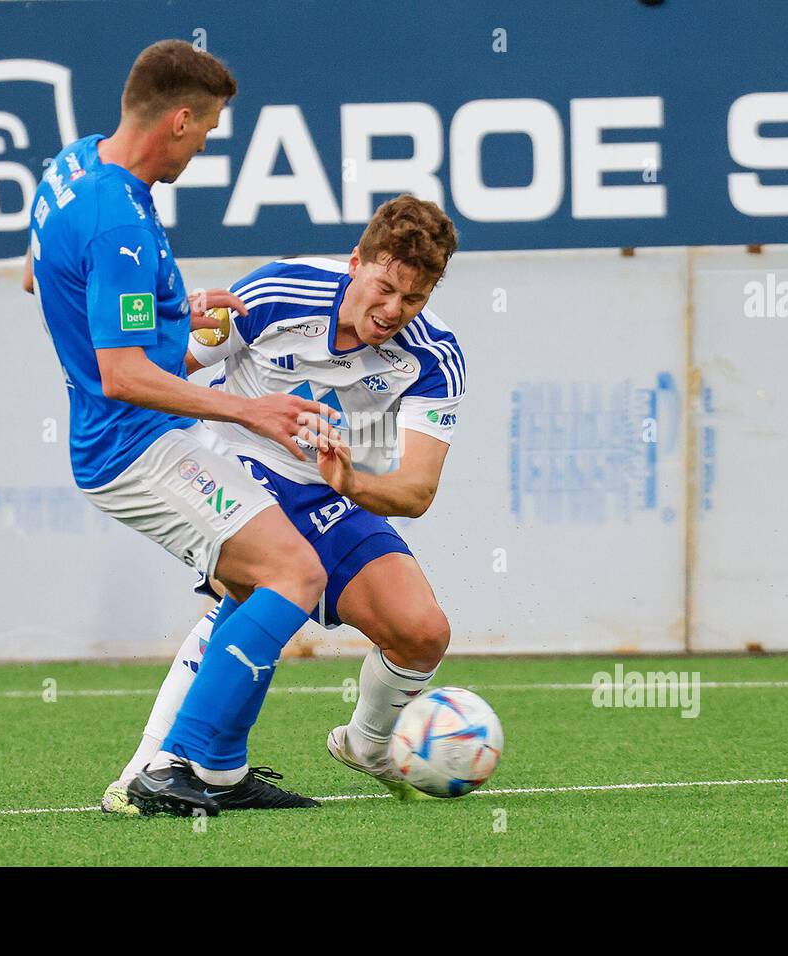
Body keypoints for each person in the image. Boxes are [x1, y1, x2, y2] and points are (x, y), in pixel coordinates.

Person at [29, 39, 341, 817]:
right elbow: (122, 373)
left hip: (129, 434)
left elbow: (39, 272)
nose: (205, 145)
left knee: (254, 579)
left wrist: (173, 311)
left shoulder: (73, 166)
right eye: (205, 131)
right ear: (177, 119)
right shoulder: (119, 223)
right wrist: (252, 408)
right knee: (295, 576)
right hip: (134, 446)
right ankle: (185, 767)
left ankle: (206, 771)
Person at [102, 196, 464, 807]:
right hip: (232, 460)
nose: (393, 311)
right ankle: (148, 767)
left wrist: (350, 481)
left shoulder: (432, 357)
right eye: (385, 287)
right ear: (356, 262)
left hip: (328, 490)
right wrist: (173, 322)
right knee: (251, 591)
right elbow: (165, 370)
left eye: (414, 299)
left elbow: (416, 490)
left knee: (422, 632)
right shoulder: (277, 289)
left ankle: (370, 744)